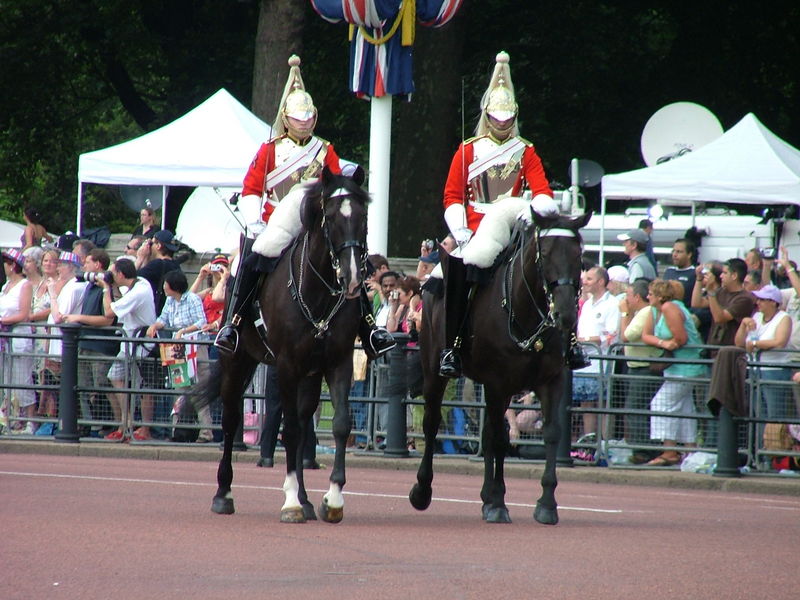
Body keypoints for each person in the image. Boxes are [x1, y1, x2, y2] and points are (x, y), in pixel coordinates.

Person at [214, 54, 393, 360]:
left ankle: (369, 327)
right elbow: (252, 189)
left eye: (308, 117)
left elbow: (336, 187)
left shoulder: (325, 150)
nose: (304, 123)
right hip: (276, 221)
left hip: (315, 222)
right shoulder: (269, 150)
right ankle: (233, 322)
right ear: (286, 118)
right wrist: (254, 220)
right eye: (299, 118)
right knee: (252, 255)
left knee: (351, 259)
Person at [437, 51, 574, 377]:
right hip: (474, 229)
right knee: (457, 275)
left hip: (514, 225)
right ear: (487, 115)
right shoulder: (468, 150)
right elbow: (452, 195)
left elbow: (543, 192)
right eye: (497, 117)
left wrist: (536, 210)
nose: (502, 123)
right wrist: (460, 230)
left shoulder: (526, 151)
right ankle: (452, 348)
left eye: (507, 117)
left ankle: (568, 342)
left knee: (557, 271)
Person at [641, 279, 706, 466]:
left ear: (660, 296)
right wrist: (663, 343)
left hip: (686, 366)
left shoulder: (669, 307)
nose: (648, 296)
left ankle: (669, 451)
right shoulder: (660, 309)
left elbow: (681, 338)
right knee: (685, 407)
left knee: (661, 402)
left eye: (651, 294)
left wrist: (668, 344)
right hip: (680, 367)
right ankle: (690, 449)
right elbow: (648, 335)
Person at [144, 270, 211, 442]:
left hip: (195, 347)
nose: (164, 287)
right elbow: (163, 318)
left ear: (174, 286)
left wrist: (183, 330)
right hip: (177, 348)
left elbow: (201, 322)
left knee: (199, 390)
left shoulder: (193, 299)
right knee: (179, 389)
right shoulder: (170, 300)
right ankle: (177, 431)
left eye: (166, 284)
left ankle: (206, 432)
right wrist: (155, 326)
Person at [97, 257, 157, 441]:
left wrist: (106, 288)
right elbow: (123, 300)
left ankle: (144, 429)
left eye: (113, 272)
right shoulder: (139, 283)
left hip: (142, 346)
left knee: (144, 388)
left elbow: (109, 313)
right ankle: (126, 423)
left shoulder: (139, 291)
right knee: (115, 376)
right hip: (129, 345)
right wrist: (113, 287)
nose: (111, 275)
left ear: (121, 274)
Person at [63, 249, 118, 431]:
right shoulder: (89, 285)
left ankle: (109, 425)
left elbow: (108, 319)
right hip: (85, 343)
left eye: (87, 262)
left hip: (101, 345)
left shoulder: (109, 287)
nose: (84, 265)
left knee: (102, 387)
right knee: (83, 388)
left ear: (98, 264)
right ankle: (88, 424)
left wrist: (78, 318)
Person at [735, 285, 793, 432]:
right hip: (755, 370)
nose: (758, 302)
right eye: (758, 299)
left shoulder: (784, 318)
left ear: (773, 302)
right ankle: (760, 451)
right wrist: (743, 325)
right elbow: (739, 343)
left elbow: (779, 342)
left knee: (774, 415)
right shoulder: (756, 317)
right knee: (758, 415)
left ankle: (774, 453)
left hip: (774, 371)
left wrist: (755, 344)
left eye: (762, 299)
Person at [618, 278, 662, 462]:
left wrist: (624, 314)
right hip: (637, 367)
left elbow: (626, 336)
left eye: (628, 295)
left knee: (635, 409)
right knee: (636, 409)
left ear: (637, 296)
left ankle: (642, 451)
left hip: (644, 368)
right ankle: (643, 449)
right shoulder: (642, 312)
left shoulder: (645, 312)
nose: (626, 299)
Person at [574, 266, 620, 439]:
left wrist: (587, 341)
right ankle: (589, 441)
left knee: (602, 404)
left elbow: (613, 334)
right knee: (586, 404)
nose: (584, 282)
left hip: (601, 364)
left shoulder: (613, 304)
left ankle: (604, 443)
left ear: (601, 282)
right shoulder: (586, 304)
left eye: (589, 279)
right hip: (584, 363)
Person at [0, 249, 34, 432]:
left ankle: (30, 421)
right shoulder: (6, 285)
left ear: (12, 265)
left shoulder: (25, 285)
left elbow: (23, 314)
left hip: (19, 335)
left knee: (22, 379)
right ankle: (11, 418)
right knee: (6, 379)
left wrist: (2, 321)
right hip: (5, 337)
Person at [691, 257, 756, 351]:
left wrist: (711, 291)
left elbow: (719, 318)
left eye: (725, 273)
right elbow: (696, 303)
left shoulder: (745, 299)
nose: (721, 276)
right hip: (713, 346)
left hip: (730, 350)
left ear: (734, 276)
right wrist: (699, 280)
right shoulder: (721, 292)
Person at [136, 229, 181, 314]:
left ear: (158, 246)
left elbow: (130, 280)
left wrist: (140, 258)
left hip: (155, 316)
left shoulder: (157, 265)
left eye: (152, 243)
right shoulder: (175, 265)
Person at [190, 253, 228, 336]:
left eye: (224, 266)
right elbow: (189, 299)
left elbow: (217, 297)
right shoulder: (209, 291)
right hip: (204, 332)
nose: (220, 269)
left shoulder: (229, 290)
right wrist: (200, 277)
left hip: (219, 332)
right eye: (217, 266)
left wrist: (224, 278)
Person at [663, 238, 696, 305]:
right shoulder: (669, 271)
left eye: (679, 252)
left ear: (689, 254)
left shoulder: (695, 273)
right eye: (673, 251)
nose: (674, 255)